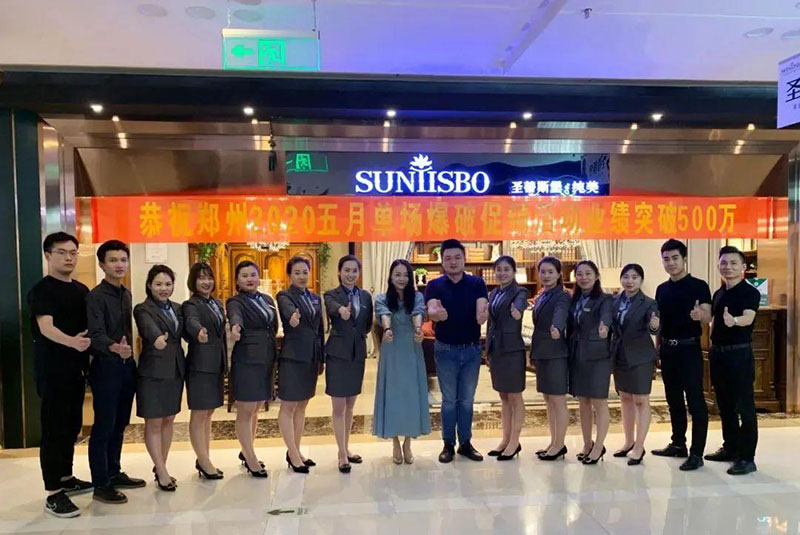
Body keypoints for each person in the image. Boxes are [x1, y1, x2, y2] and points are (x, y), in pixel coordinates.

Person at [28, 232, 92, 518]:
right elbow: (46, 327)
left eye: (73, 253)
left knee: (71, 425)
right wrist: (72, 343)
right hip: (52, 370)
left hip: (76, 370)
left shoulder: (81, 290)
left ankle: (66, 477)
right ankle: (53, 492)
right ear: (48, 255)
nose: (69, 258)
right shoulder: (42, 290)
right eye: (62, 252)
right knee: (54, 429)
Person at [86, 240, 145, 504]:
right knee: (104, 426)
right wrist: (114, 347)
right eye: (113, 260)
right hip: (105, 368)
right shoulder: (95, 297)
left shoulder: (126, 293)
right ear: (102, 264)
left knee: (120, 423)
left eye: (123, 259)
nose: (119, 265)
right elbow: (95, 334)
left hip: (126, 367)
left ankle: (114, 471)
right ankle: (101, 484)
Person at [425, 239, 489, 463]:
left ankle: (466, 443)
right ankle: (448, 444)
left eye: (457, 257)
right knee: (449, 400)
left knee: (467, 400)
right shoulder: (435, 285)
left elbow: (482, 309)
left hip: (471, 350)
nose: (453, 262)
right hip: (445, 350)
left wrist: (483, 316)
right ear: (442, 261)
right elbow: (432, 308)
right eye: (448, 258)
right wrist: (436, 315)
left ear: (464, 259)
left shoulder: (477, 283)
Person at [653, 239, 711, 471]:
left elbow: (707, 315)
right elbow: (659, 323)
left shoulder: (699, 286)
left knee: (695, 402)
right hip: (668, 350)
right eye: (666, 259)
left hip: (689, 349)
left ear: (684, 259)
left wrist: (700, 315)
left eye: (675, 258)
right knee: (673, 400)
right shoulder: (661, 289)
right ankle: (678, 444)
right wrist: (657, 349)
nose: (671, 263)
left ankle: (697, 453)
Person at [708, 246, 761, 476]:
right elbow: (713, 321)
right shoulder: (719, 293)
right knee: (725, 405)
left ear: (743, 267)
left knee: (744, 406)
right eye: (724, 263)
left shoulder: (750, 292)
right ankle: (730, 448)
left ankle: (747, 458)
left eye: (733, 263)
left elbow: (749, 317)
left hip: (739, 354)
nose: (727, 267)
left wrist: (735, 321)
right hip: (718, 354)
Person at [133, 265, 186, 492]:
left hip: (175, 369)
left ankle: (160, 466)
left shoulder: (178, 308)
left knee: (169, 419)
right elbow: (148, 327)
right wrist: (156, 339)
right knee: (154, 421)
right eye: (158, 284)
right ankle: (162, 471)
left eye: (168, 284)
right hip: (152, 371)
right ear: (149, 285)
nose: (164, 288)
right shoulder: (142, 309)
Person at [373, 259, 430, 463]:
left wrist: (418, 330)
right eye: (397, 275)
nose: (402, 279)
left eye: (405, 275)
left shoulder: (417, 297)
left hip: (412, 348)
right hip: (392, 350)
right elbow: (384, 315)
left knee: (411, 394)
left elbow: (417, 314)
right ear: (390, 277)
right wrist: (387, 329)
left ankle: (408, 442)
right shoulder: (381, 298)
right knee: (393, 394)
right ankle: (395, 441)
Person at [226, 261, 278, 479]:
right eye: (244, 275)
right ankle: (251, 458)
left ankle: (247, 449)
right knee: (246, 409)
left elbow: (273, 326)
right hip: (247, 359)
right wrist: (235, 327)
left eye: (253, 275)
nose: (250, 279)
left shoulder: (267, 300)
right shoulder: (235, 301)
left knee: (256, 407)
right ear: (237, 280)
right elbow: (235, 316)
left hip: (266, 357)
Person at [323, 255, 373, 473]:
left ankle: (346, 447)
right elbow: (332, 307)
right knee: (338, 407)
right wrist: (342, 311)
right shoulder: (331, 295)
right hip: (337, 355)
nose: (351, 274)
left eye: (355, 271)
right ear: (339, 272)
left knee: (351, 405)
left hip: (357, 355)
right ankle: (341, 454)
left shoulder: (365, 296)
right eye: (347, 270)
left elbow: (367, 324)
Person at [276, 257, 324, 474]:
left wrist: (321, 357)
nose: (302, 276)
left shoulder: (315, 298)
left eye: (305, 272)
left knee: (302, 405)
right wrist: (292, 318)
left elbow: (320, 330)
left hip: (311, 357)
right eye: (297, 273)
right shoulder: (285, 296)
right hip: (293, 357)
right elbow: (288, 312)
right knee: (288, 406)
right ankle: (293, 453)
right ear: (289, 275)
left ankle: (295, 449)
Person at [610, 264, 660, 466]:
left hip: (640, 356)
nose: (630, 281)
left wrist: (654, 326)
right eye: (626, 277)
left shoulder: (648, 303)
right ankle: (628, 441)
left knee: (640, 399)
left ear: (641, 280)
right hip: (619, 355)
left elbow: (653, 326)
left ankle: (639, 446)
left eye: (635, 277)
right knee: (625, 398)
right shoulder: (613, 301)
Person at [182, 262, 226, 480]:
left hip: (216, 363)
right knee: (200, 413)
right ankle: (203, 460)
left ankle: (204, 457)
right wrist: (198, 331)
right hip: (199, 365)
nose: (206, 282)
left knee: (209, 413)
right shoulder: (191, 304)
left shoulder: (216, 303)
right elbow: (191, 321)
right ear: (193, 281)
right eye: (201, 278)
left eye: (209, 277)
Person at [568, 260, 614, 465]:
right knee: (583, 401)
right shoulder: (574, 299)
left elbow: (606, 317)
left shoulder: (605, 299)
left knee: (599, 401)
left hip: (597, 356)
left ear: (596, 276)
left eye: (588, 273)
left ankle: (599, 446)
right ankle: (587, 443)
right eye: (579, 274)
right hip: (577, 354)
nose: (584, 277)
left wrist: (604, 327)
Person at [486, 256, 529, 461]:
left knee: (514, 396)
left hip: (512, 350)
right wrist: (488, 350)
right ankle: (505, 439)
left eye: (506, 269)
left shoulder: (519, 292)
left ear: (513, 272)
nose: (502, 273)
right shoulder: (494, 293)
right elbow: (491, 323)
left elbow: (520, 304)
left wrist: (517, 311)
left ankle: (515, 441)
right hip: (496, 350)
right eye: (499, 270)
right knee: (503, 396)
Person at [529, 256, 571, 462]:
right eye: (543, 272)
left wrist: (557, 327)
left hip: (556, 352)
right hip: (542, 351)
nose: (546, 276)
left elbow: (561, 314)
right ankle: (553, 442)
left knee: (557, 400)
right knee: (548, 399)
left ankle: (560, 444)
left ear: (559, 274)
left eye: (550, 272)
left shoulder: (562, 295)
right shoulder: (542, 295)